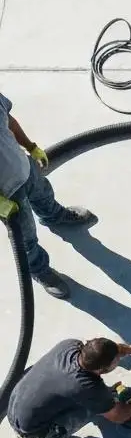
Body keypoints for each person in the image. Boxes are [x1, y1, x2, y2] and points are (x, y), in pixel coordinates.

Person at [0, 89, 95, 299]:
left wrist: (31, 147)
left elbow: (8, 121)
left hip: (24, 167)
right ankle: (40, 270)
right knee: (25, 238)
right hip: (6, 195)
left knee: (43, 194)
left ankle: (55, 216)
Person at [6, 337, 131, 438]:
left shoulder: (70, 345)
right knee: (90, 412)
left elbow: (108, 349)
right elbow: (119, 416)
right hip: (31, 428)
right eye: (116, 361)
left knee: (89, 398)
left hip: (16, 400)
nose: (118, 361)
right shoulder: (88, 387)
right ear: (102, 370)